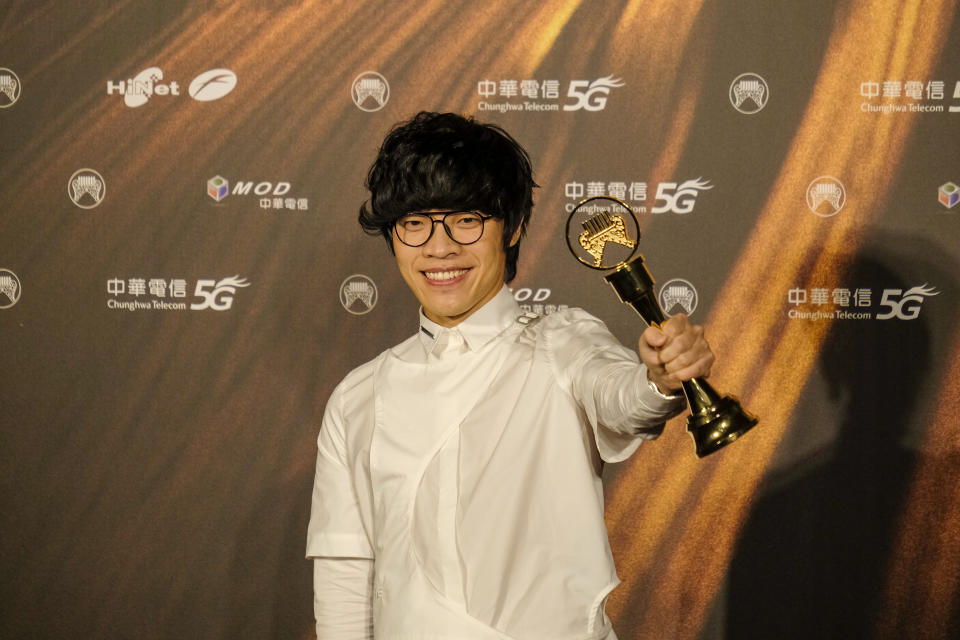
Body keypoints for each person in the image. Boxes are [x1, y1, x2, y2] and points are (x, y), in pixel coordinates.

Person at [306, 112, 715, 639]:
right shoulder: (358, 396)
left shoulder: (561, 341)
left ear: (513, 225)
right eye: (415, 223)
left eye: (466, 219)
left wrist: (659, 378)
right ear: (393, 234)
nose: (439, 247)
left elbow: (622, 396)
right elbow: (344, 573)